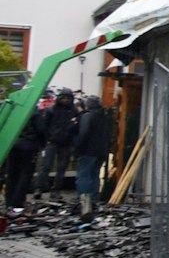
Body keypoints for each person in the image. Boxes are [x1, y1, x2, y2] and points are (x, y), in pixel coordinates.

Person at [34, 89, 80, 204]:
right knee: (46, 167)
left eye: (67, 98)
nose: (65, 100)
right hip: (54, 142)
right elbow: (44, 126)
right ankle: (39, 188)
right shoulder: (53, 110)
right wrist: (48, 138)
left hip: (64, 143)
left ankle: (54, 190)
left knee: (60, 168)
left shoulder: (73, 111)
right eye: (64, 98)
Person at [3, 93, 47, 212]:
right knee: (25, 175)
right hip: (29, 147)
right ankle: (18, 203)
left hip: (13, 146)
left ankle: (9, 202)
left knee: (12, 175)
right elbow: (41, 130)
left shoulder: (14, 111)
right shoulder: (34, 112)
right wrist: (43, 144)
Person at [73, 94, 112, 222]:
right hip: (101, 151)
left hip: (87, 150)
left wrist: (77, 146)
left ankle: (84, 201)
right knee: (94, 175)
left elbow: (83, 133)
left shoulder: (87, 116)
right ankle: (94, 199)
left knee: (84, 176)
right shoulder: (104, 117)